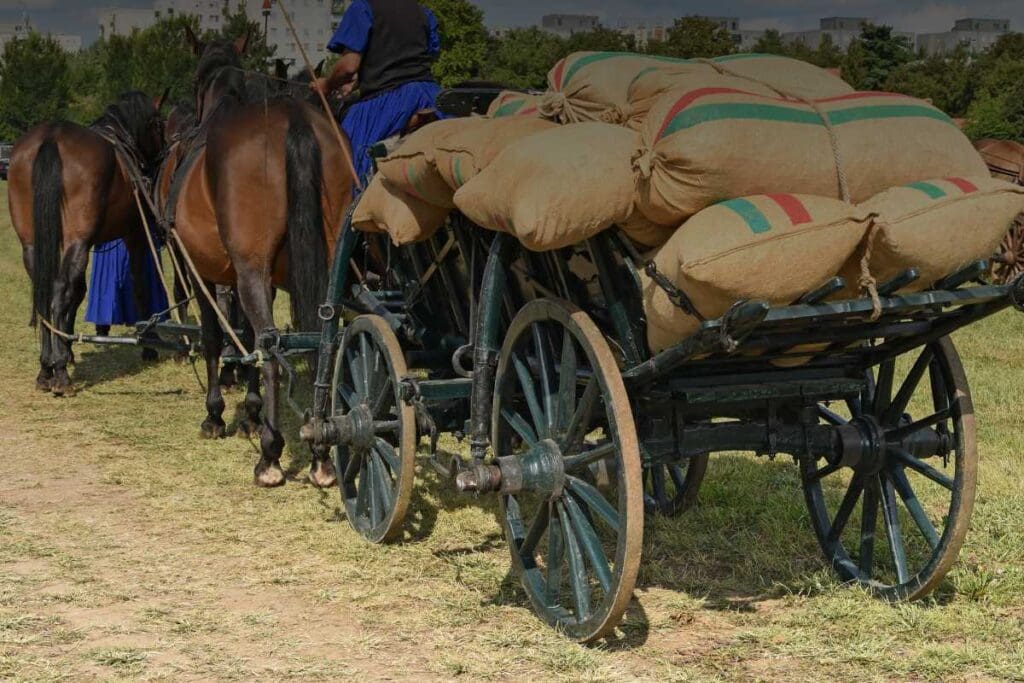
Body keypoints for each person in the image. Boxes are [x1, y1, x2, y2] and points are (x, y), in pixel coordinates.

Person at [312, 0, 441, 183]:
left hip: (388, 102)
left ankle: (355, 205)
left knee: (348, 163)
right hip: (428, 96)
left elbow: (348, 67)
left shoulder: (363, 7)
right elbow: (414, 58)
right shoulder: (423, 13)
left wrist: (327, 84)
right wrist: (360, 82)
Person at [85, 239, 169, 336]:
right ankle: (102, 324)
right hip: (111, 238)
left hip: (141, 239)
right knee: (110, 276)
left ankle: (148, 321)